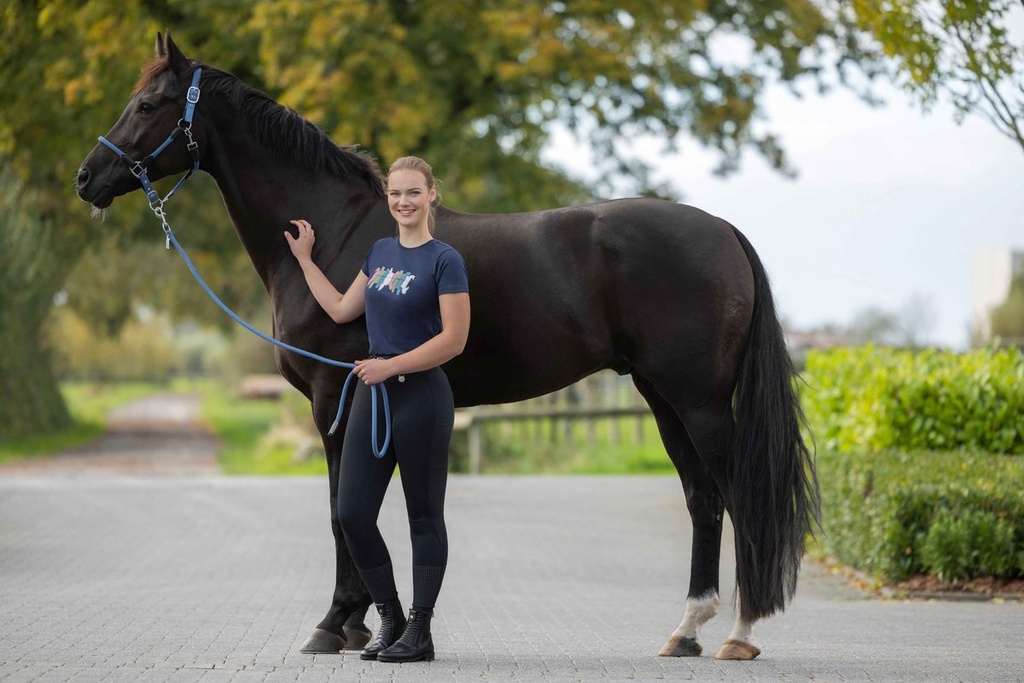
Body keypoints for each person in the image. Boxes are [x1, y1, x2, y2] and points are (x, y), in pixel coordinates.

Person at [285, 156, 470, 663]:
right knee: (352, 514)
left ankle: (421, 630)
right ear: (387, 198)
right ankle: (387, 616)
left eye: (413, 192)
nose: (403, 202)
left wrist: (390, 367)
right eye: (394, 194)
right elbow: (344, 309)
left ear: (432, 194)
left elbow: (454, 340)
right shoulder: (380, 252)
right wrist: (305, 261)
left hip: (422, 397)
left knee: (423, 518)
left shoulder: (445, 259)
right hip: (375, 397)